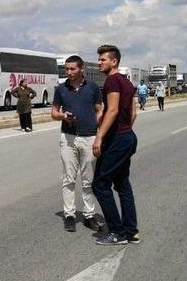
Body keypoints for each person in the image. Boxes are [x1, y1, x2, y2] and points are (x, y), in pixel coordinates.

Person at [92, 45, 139, 245]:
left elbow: (112, 110)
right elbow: (133, 113)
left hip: (117, 139)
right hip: (127, 136)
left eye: (103, 59)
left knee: (99, 185)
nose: (99, 62)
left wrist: (100, 137)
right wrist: (125, 131)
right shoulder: (127, 82)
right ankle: (131, 231)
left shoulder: (112, 81)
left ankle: (117, 232)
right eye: (99, 59)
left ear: (114, 61)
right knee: (122, 184)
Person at [51, 55, 103, 232]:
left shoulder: (93, 87)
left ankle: (89, 215)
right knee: (69, 178)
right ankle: (69, 215)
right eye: (67, 69)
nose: (69, 72)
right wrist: (63, 116)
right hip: (68, 137)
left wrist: (99, 133)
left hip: (89, 137)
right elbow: (54, 113)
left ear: (81, 69)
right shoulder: (61, 89)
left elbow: (99, 111)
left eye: (72, 69)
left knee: (88, 179)